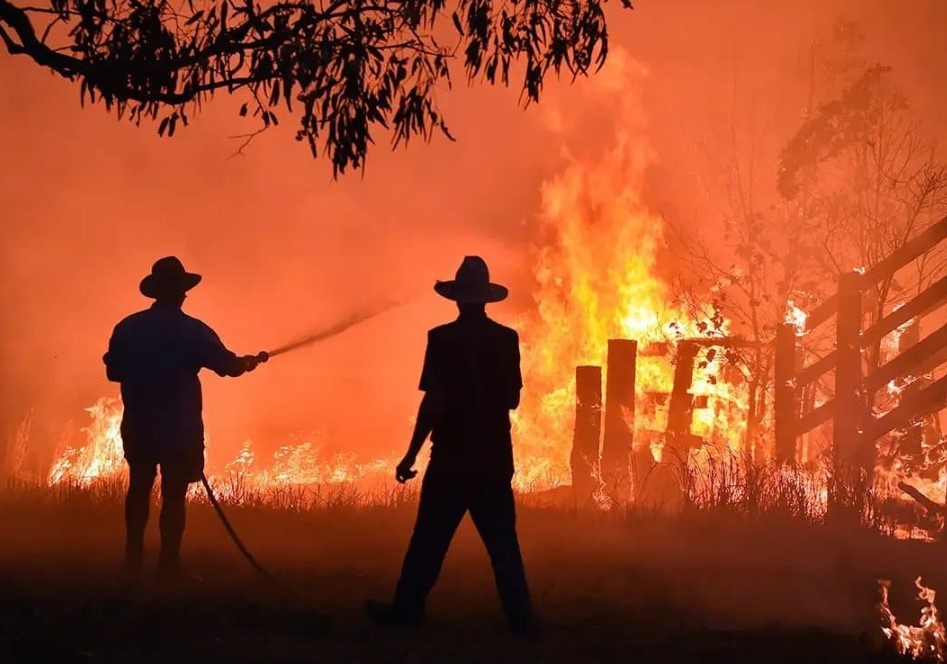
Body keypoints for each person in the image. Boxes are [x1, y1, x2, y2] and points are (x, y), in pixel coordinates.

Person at [365, 255, 539, 640]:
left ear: (458, 299)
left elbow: (434, 401)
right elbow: (513, 400)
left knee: (428, 541)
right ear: (485, 299)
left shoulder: (441, 339)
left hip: (451, 458)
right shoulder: (506, 339)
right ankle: (523, 623)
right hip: (493, 458)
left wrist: (411, 455)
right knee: (503, 546)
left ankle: (406, 611)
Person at [103, 256, 267, 577]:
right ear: (181, 293)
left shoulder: (128, 327)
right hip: (179, 427)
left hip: (139, 422)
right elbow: (228, 366)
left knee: (139, 488)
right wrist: (247, 362)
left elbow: (113, 372)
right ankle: (169, 563)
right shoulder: (193, 331)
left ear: (155, 292)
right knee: (174, 495)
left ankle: (133, 558)